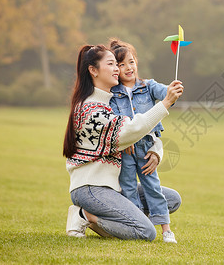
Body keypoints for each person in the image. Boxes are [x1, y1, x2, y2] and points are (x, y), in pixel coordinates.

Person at [64, 44, 184, 241]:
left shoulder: (109, 103)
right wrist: (165, 103)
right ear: (93, 70)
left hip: (114, 186)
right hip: (91, 187)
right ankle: (84, 215)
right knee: (146, 232)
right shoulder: (90, 109)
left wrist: (155, 151)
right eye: (111, 64)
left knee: (171, 199)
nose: (117, 69)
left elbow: (137, 134)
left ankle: (118, 223)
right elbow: (131, 130)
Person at [108, 39, 176, 243]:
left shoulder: (148, 86)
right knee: (128, 186)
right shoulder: (113, 94)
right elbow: (115, 119)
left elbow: (165, 93)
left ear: (136, 61)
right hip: (126, 149)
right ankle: (136, 224)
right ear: (115, 70)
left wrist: (172, 90)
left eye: (130, 62)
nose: (128, 68)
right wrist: (124, 138)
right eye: (121, 65)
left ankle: (166, 229)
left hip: (146, 147)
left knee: (152, 186)